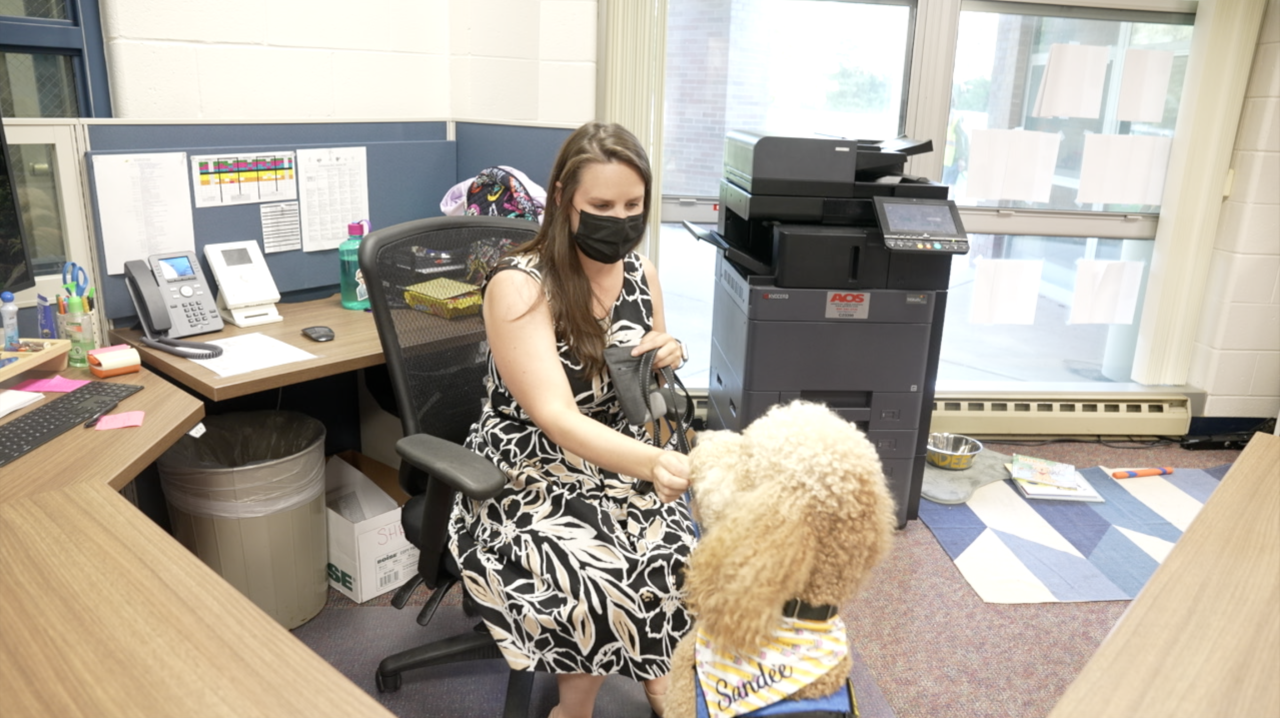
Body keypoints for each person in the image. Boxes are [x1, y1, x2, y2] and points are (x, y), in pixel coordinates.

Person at [448, 121, 697, 718]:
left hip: (619, 457)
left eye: (633, 205)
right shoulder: (519, 284)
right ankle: (574, 708)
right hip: (527, 472)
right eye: (602, 205)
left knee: (679, 552)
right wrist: (656, 462)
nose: (621, 217)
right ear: (562, 199)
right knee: (595, 567)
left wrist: (665, 359)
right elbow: (557, 419)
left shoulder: (642, 275)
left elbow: (650, 411)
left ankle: (659, 674)